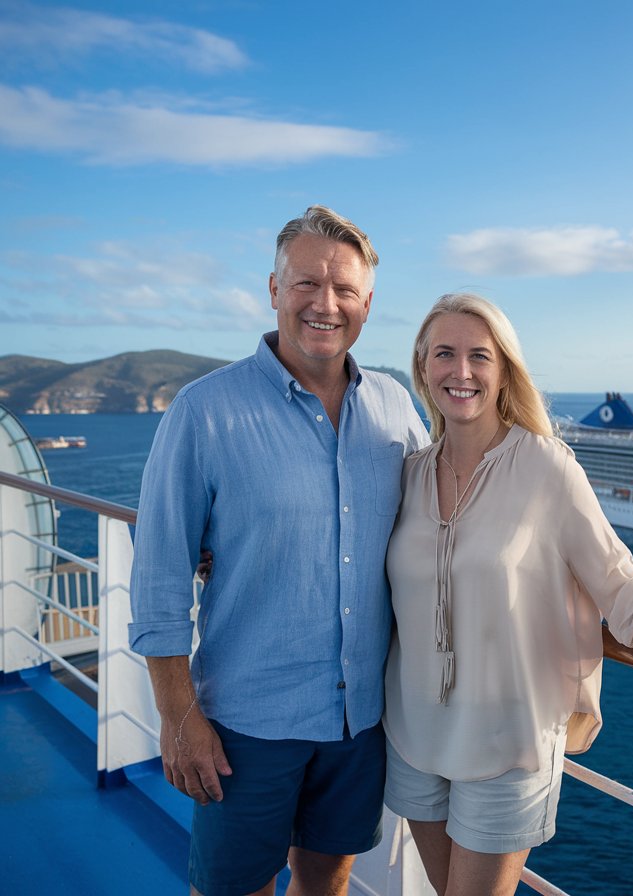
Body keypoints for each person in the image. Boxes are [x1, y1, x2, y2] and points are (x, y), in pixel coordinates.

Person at [382, 293, 633, 896]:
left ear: (504, 370)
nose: (461, 371)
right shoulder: (408, 473)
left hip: (507, 741)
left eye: (479, 356)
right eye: (445, 354)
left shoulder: (544, 466)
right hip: (411, 735)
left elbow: (614, 573)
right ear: (422, 367)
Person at [128, 205, 428, 896]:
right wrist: (178, 717)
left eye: (344, 289)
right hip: (246, 724)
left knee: (326, 882)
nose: (325, 304)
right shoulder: (203, 412)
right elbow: (160, 578)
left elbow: (445, 519)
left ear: (367, 303)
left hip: (361, 722)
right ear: (273, 289)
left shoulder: (393, 407)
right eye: (306, 284)